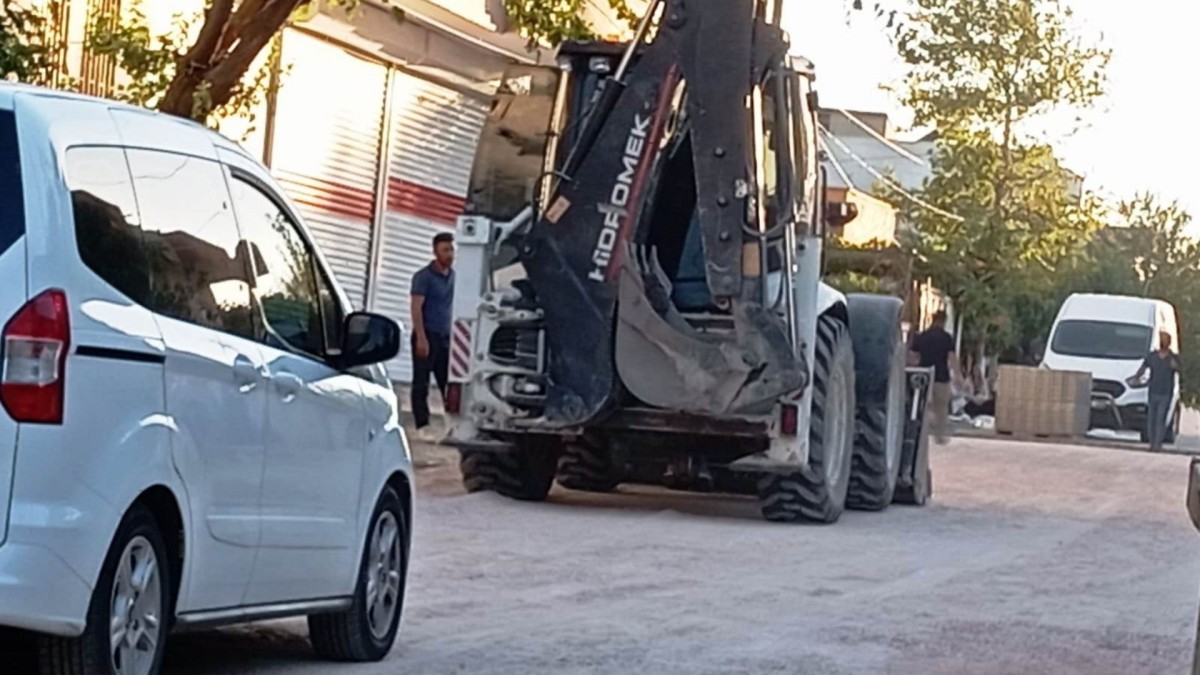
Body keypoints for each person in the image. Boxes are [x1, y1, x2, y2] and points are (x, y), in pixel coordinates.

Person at [410, 232, 455, 443]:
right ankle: (422, 425)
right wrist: (421, 337)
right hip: (426, 334)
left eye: (451, 249)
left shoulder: (454, 276)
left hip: (446, 337)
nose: (450, 254)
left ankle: (452, 424)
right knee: (422, 382)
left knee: (449, 383)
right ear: (435, 252)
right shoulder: (423, 277)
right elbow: (416, 308)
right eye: (445, 250)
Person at [909, 310, 959, 444]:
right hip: (942, 376)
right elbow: (952, 358)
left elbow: (912, 356)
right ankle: (940, 436)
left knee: (924, 406)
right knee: (941, 408)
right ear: (943, 321)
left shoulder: (922, 336)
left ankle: (922, 435)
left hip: (924, 376)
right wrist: (958, 376)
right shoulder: (946, 338)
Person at [1128, 331, 1180, 451]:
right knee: (1151, 419)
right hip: (1153, 391)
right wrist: (1135, 379)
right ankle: (1152, 443)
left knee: (1160, 418)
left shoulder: (1172, 357)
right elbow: (1143, 368)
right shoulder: (1152, 356)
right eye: (1162, 340)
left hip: (1166, 392)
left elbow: (1178, 368)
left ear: (1169, 343)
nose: (1163, 342)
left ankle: (1157, 444)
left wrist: (1174, 363)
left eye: (1165, 340)